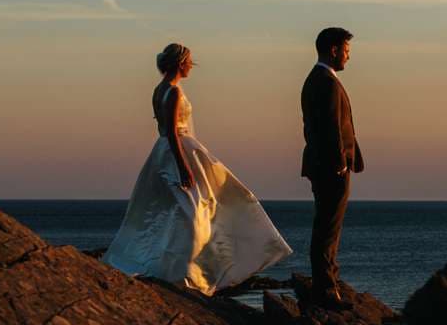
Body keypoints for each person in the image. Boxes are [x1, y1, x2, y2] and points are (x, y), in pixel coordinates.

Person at [102, 42, 291, 293]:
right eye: (190, 62)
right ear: (181, 64)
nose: (192, 66)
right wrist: (183, 167)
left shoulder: (159, 89)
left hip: (165, 153)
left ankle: (182, 269)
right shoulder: (173, 92)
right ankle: (186, 273)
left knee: (176, 214)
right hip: (177, 153)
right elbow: (171, 131)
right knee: (192, 215)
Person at [299, 26, 362, 309]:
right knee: (328, 227)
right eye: (346, 51)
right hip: (331, 168)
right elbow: (330, 127)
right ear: (333, 50)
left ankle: (327, 283)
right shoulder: (324, 81)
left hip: (324, 165)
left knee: (326, 225)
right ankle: (326, 288)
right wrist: (339, 163)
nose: (349, 57)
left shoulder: (318, 79)